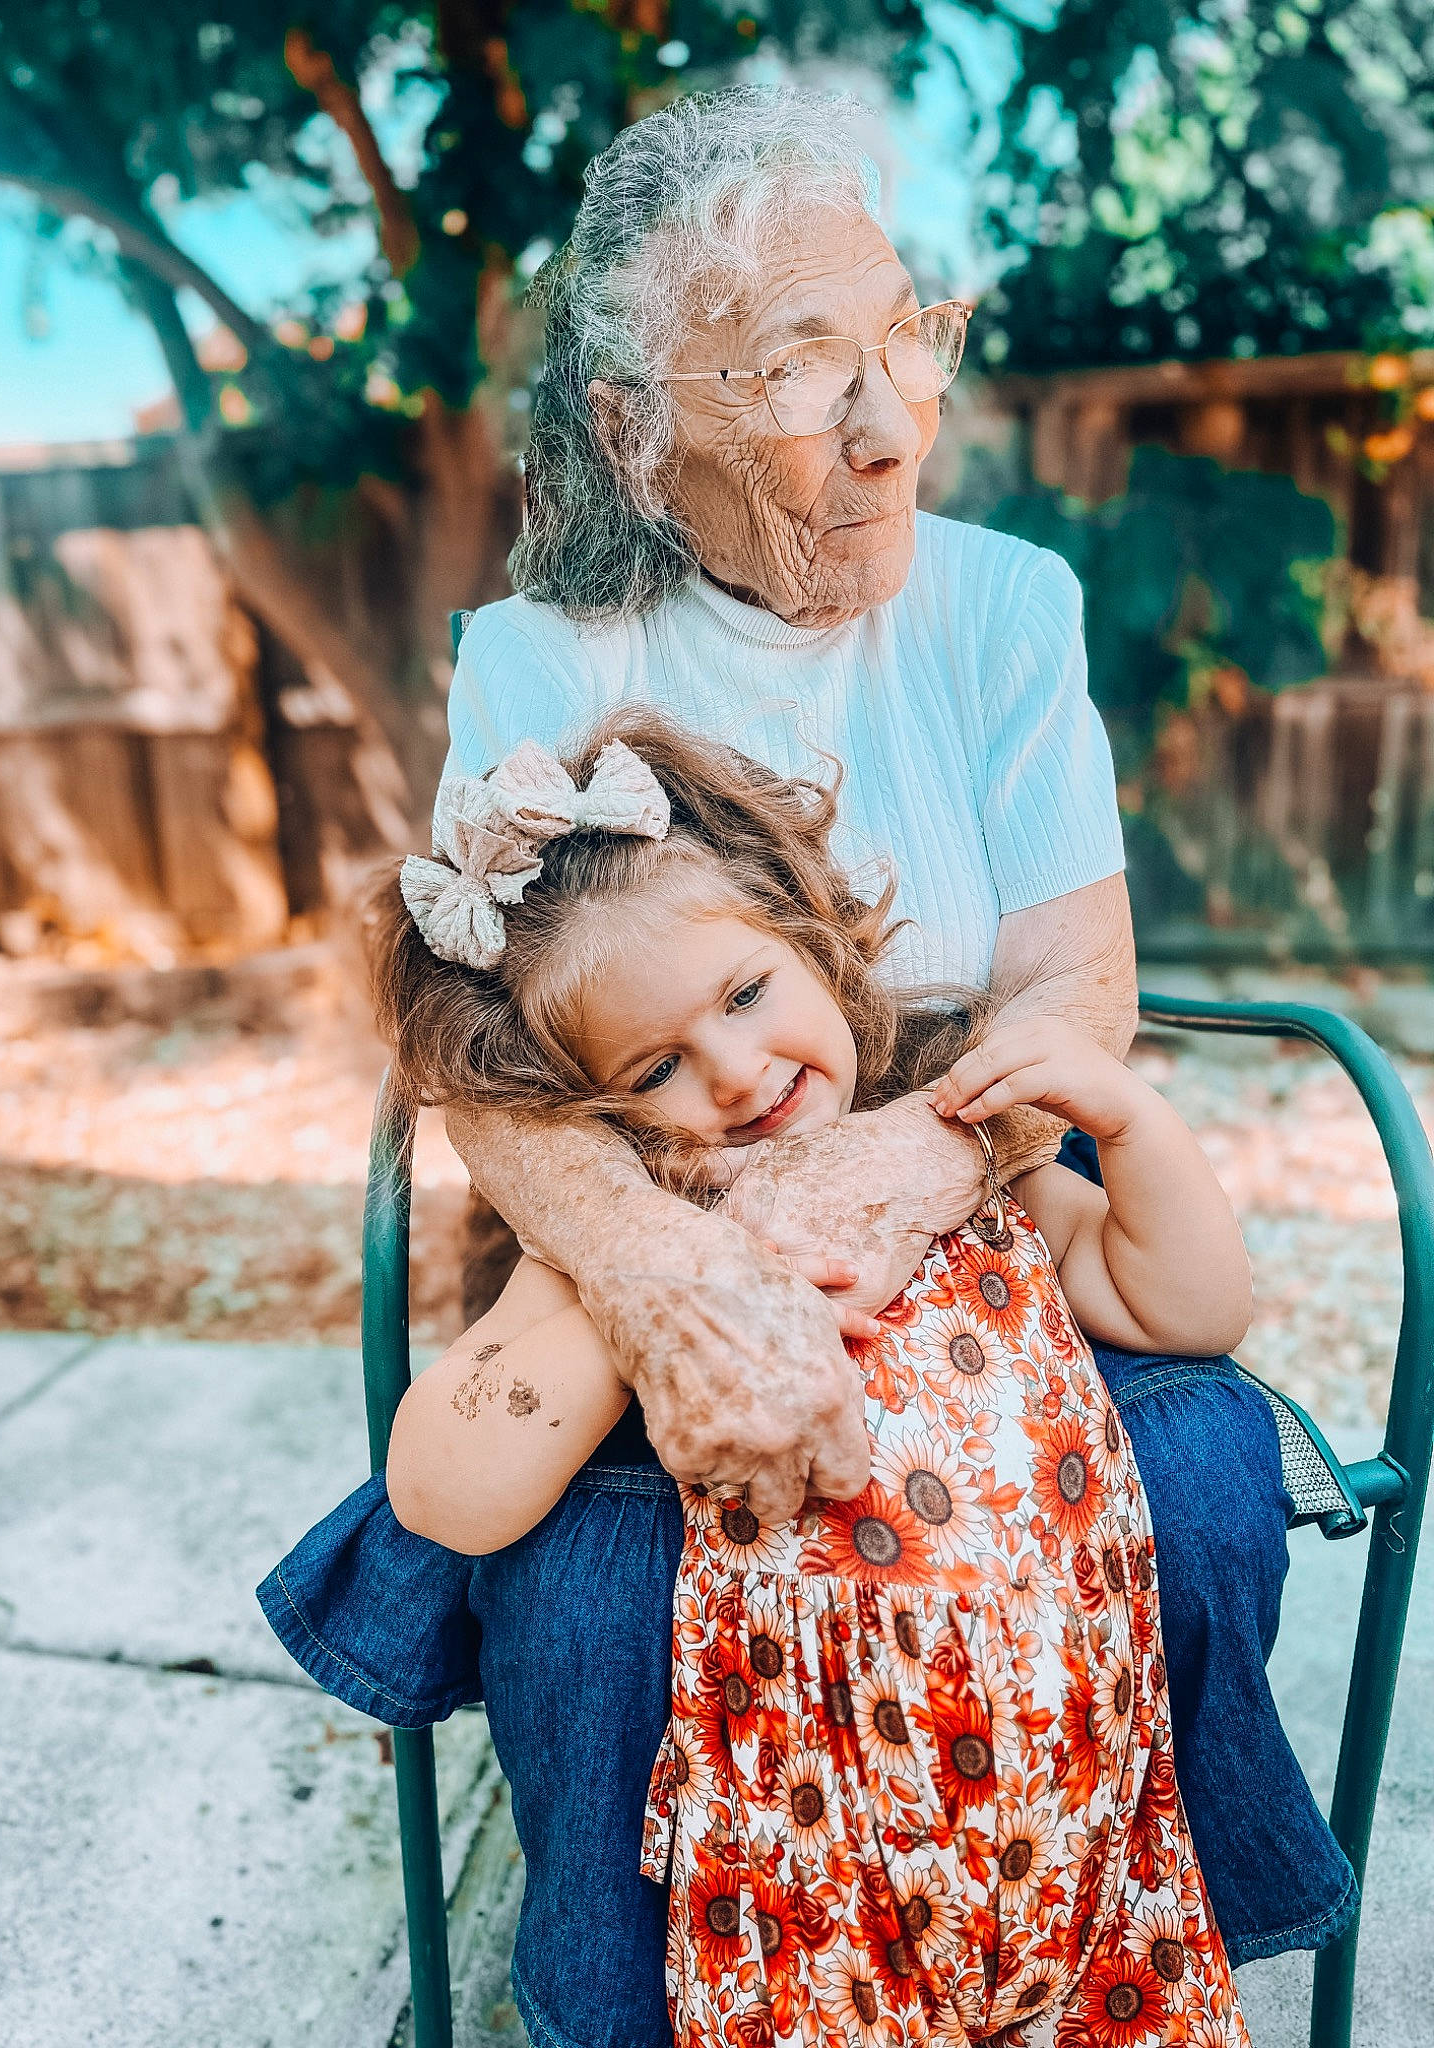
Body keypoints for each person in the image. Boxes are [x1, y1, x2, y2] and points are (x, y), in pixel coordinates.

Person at [259, 85, 1352, 2048]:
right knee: (597, 1595)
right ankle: (640, 1993)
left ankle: (1107, 1923)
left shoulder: (1003, 603)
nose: (885, 425)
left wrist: (921, 1168)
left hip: (976, 1193)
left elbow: (1078, 983)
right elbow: (495, 1054)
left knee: (1191, 1484)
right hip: (643, 1198)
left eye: (899, 341)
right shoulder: (542, 653)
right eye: (794, 365)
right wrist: (677, 1279)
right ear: (636, 432)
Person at [379, 709, 1253, 2047]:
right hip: (814, 1861)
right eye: (654, 1068)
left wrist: (1128, 1125)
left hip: (1080, 1804)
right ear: (603, 1115)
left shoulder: (968, 1159)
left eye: (744, 995)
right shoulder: (648, 1243)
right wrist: (647, 1298)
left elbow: (1187, 1307)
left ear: (818, 941)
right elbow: (449, 1491)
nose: (732, 1074)